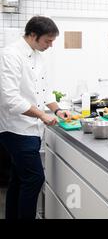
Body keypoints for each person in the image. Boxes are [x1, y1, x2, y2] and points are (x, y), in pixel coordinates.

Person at [0, 16, 71, 219]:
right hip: (15, 128)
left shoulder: (38, 55)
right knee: (34, 178)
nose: (50, 46)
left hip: (30, 128)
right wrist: (42, 115)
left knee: (19, 179)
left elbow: (43, 91)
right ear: (33, 35)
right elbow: (9, 99)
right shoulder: (10, 55)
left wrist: (57, 110)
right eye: (47, 41)